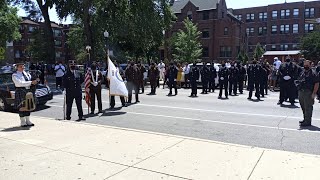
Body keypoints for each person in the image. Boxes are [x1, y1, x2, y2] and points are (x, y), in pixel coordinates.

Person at [12, 62, 39, 127]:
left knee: (29, 106)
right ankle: (22, 121)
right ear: (17, 67)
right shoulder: (15, 75)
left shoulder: (27, 73)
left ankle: (28, 120)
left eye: (23, 66)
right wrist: (30, 82)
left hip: (28, 91)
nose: (23, 68)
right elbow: (19, 83)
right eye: (21, 66)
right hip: (20, 91)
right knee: (22, 107)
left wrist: (35, 81)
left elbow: (30, 80)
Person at [296, 60, 319, 127]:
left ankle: (307, 121)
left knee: (308, 107)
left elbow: (317, 83)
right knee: (303, 106)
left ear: (310, 65)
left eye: (307, 65)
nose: (305, 66)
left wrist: (314, 93)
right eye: (304, 65)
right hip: (301, 91)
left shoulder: (313, 73)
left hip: (308, 92)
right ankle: (305, 119)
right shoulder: (303, 72)